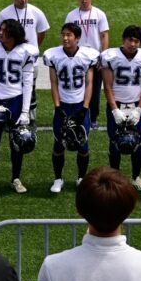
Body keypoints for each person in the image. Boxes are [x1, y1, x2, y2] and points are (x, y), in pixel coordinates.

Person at [0, 19, 39, 194]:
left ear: (14, 34)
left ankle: (16, 178)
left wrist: (26, 110)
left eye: (5, 30)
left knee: (17, 142)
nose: (0, 33)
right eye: (0, 29)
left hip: (16, 100)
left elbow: (28, 83)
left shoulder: (25, 52)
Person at [43, 23, 100, 193]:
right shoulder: (53, 55)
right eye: (63, 34)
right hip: (63, 105)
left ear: (77, 38)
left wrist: (85, 107)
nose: (65, 38)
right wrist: (57, 105)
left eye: (69, 35)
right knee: (59, 143)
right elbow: (53, 83)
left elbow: (89, 83)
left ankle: (81, 177)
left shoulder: (87, 55)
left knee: (82, 144)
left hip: (79, 104)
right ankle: (58, 178)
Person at [101, 26, 141, 191]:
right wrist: (114, 110)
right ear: (123, 40)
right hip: (116, 104)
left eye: (136, 41)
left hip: (135, 105)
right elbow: (108, 86)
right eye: (130, 40)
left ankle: (136, 177)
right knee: (115, 143)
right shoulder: (111, 56)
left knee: (137, 144)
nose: (133, 44)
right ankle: (114, 177)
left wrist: (139, 109)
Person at [0, 0, 50, 123]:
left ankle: (30, 117)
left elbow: (42, 32)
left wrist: (33, 49)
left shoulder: (36, 12)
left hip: (30, 61)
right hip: (11, 60)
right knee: (12, 89)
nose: (23, 0)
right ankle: (10, 116)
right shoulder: (5, 13)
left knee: (30, 89)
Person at [64, 0, 108, 126]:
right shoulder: (72, 15)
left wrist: (103, 57)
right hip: (77, 58)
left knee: (95, 90)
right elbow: (67, 36)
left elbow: (104, 35)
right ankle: (77, 114)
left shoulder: (99, 14)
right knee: (77, 89)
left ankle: (93, 117)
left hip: (95, 59)